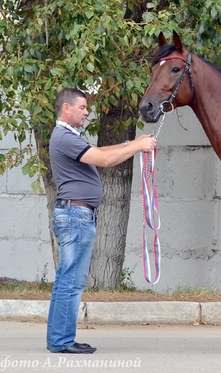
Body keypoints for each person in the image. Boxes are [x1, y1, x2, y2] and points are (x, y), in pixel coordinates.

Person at [47, 88, 156, 354]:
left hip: (77, 215)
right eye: (82, 107)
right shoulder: (64, 136)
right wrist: (138, 146)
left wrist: (134, 143)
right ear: (66, 109)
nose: (86, 112)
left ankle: (61, 338)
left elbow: (100, 150)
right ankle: (61, 341)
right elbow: (105, 159)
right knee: (70, 280)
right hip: (75, 216)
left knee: (70, 279)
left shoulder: (70, 136)